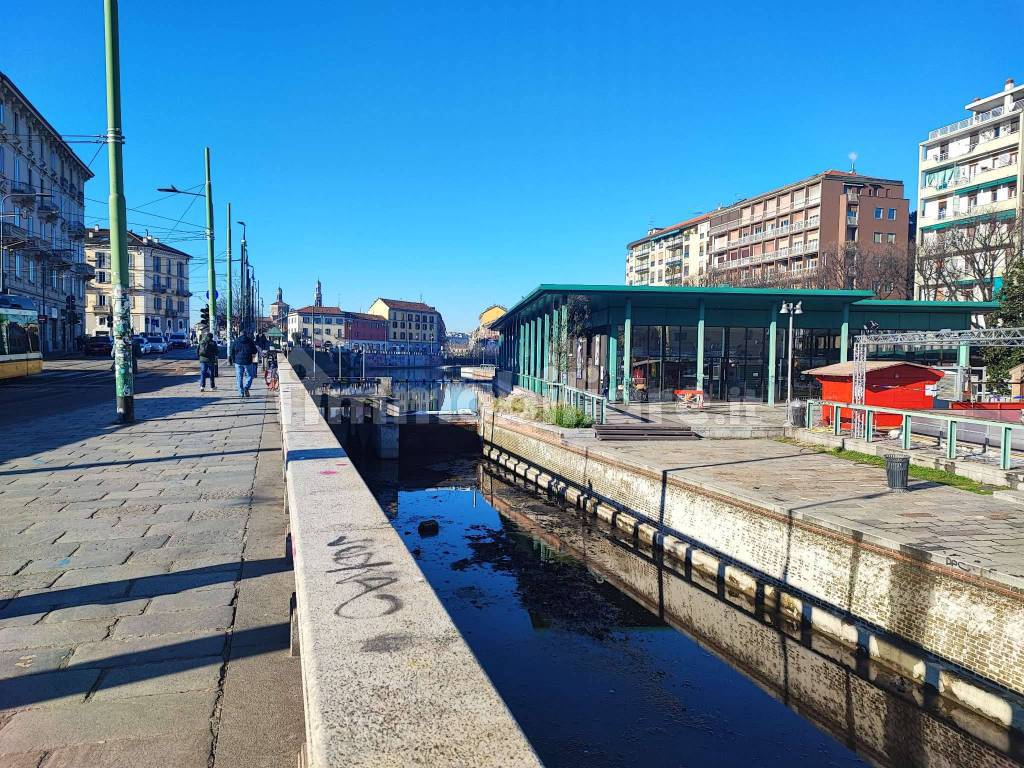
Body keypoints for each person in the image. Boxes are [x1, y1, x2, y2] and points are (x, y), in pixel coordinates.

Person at [229, 331, 258, 397]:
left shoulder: (236, 341)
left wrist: (233, 360)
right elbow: (255, 351)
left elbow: (231, 351)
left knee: (239, 377)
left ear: (240, 334)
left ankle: (241, 393)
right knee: (250, 376)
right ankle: (246, 387)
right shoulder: (250, 341)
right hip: (248, 361)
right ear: (246, 334)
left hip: (238, 362)